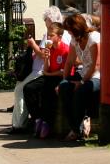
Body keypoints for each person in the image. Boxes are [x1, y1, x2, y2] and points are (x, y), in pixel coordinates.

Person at [21, 7, 72, 137]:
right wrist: (47, 59)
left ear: (59, 37)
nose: (49, 38)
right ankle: (37, 117)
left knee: (48, 93)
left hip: (59, 77)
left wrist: (49, 74)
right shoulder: (51, 49)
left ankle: (47, 123)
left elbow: (64, 72)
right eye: (48, 35)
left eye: (51, 36)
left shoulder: (65, 50)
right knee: (29, 88)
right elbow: (46, 69)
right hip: (49, 75)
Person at [57, 13, 100, 141]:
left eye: (69, 30)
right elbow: (69, 62)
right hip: (84, 73)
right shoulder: (75, 40)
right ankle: (76, 128)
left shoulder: (94, 38)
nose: (68, 33)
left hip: (97, 76)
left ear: (76, 28)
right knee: (64, 89)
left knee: (80, 92)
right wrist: (63, 81)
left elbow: (95, 65)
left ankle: (77, 130)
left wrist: (81, 82)